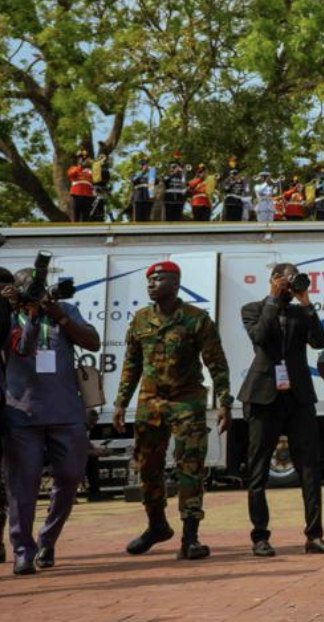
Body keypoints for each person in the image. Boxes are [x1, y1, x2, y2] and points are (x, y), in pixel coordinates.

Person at [112, 260, 232, 560]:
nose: (152, 284)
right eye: (149, 280)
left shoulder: (196, 319)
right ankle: (157, 526)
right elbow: (131, 365)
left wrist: (225, 402)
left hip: (186, 401)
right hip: (149, 403)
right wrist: (120, 403)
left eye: (159, 279)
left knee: (190, 466)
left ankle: (190, 537)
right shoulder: (140, 320)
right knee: (147, 467)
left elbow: (216, 362)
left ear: (176, 283)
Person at [2, 266, 99, 574]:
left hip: (66, 411)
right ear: (16, 290)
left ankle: (48, 539)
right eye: (30, 288)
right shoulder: (7, 314)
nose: (36, 293)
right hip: (22, 413)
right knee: (23, 485)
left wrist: (57, 314)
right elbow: (22, 346)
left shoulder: (64, 310)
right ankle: (22, 549)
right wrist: (27, 313)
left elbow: (92, 342)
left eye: (40, 288)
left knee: (70, 477)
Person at [239, 263, 324, 556]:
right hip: (263, 395)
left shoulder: (300, 311)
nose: (290, 285)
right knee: (258, 470)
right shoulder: (253, 308)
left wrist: (307, 303)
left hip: (299, 396)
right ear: (273, 281)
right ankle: (260, 536)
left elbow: (320, 341)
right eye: (286, 279)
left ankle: (314, 535)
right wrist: (272, 297)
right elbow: (261, 338)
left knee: (309, 468)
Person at [67, 153, 96, 222]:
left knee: (86, 215)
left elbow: (96, 180)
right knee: (76, 213)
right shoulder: (73, 168)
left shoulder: (90, 171)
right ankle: (75, 229)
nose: (84, 161)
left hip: (89, 195)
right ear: (78, 160)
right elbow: (71, 174)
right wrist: (81, 166)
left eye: (85, 159)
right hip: (77, 194)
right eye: (81, 159)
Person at [128, 158, 155, 222]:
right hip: (138, 199)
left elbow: (156, 182)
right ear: (140, 166)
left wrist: (152, 172)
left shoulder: (150, 175)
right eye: (143, 165)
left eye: (145, 165)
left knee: (147, 219)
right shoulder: (134, 174)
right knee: (138, 219)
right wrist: (142, 172)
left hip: (148, 199)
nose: (145, 166)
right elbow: (134, 181)